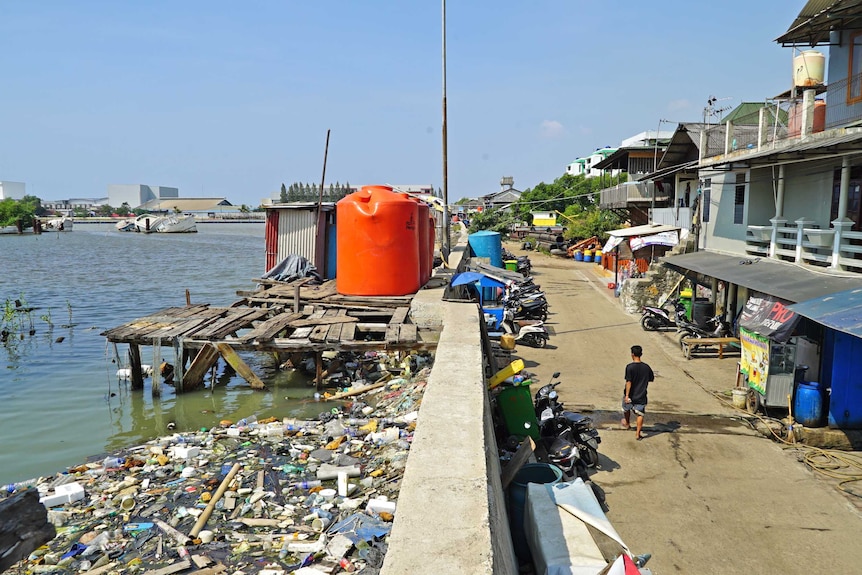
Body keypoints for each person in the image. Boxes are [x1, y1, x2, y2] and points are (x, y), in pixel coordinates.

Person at [622, 345, 654, 440]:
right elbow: (651, 378)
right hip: (641, 394)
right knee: (640, 414)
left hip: (631, 394)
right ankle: (637, 434)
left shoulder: (630, 367)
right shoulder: (646, 367)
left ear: (632, 354)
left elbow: (629, 382)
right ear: (641, 354)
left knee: (626, 409)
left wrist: (627, 395)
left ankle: (627, 424)